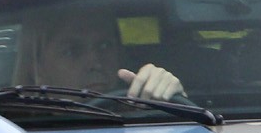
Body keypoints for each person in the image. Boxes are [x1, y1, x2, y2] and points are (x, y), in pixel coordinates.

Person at [17, 9, 185, 100]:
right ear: (38, 70)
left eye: (104, 46)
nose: (95, 63)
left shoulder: (144, 114)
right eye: (72, 51)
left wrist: (174, 105)